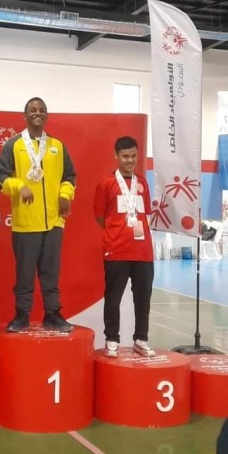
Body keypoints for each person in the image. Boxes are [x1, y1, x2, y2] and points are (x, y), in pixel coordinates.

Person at [0, 97, 76, 332]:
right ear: (25, 115)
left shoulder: (57, 146)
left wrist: (65, 195)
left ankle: (52, 314)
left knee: (51, 272)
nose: (37, 113)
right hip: (25, 223)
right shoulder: (13, 145)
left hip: (53, 222)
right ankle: (22, 315)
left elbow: (69, 176)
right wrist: (19, 186)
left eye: (41, 110)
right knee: (25, 274)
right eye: (33, 110)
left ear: (47, 115)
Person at [94, 136, 155, 358]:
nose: (130, 160)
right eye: (125, 156)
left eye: (133, 156)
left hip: (143, 253)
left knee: (143, 298)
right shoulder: (106, 184)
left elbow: (146, 214)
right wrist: (117, 232)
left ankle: (141, 338)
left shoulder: (143, 184)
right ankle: (112, 339)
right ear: (116, 156)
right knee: (113, 298)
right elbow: (100, 217)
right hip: (117, 251)